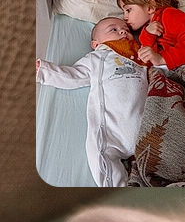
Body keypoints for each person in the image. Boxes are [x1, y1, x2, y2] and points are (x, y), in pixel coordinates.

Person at [35, 16, 149, 186]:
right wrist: (43, 71)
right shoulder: (97, 58)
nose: (123, 31)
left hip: (144, 127)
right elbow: (73, 76)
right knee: (99, 155)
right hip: (111, 131)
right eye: (114, 29)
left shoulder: (140, 56)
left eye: (126, 29)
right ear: (96, 44)